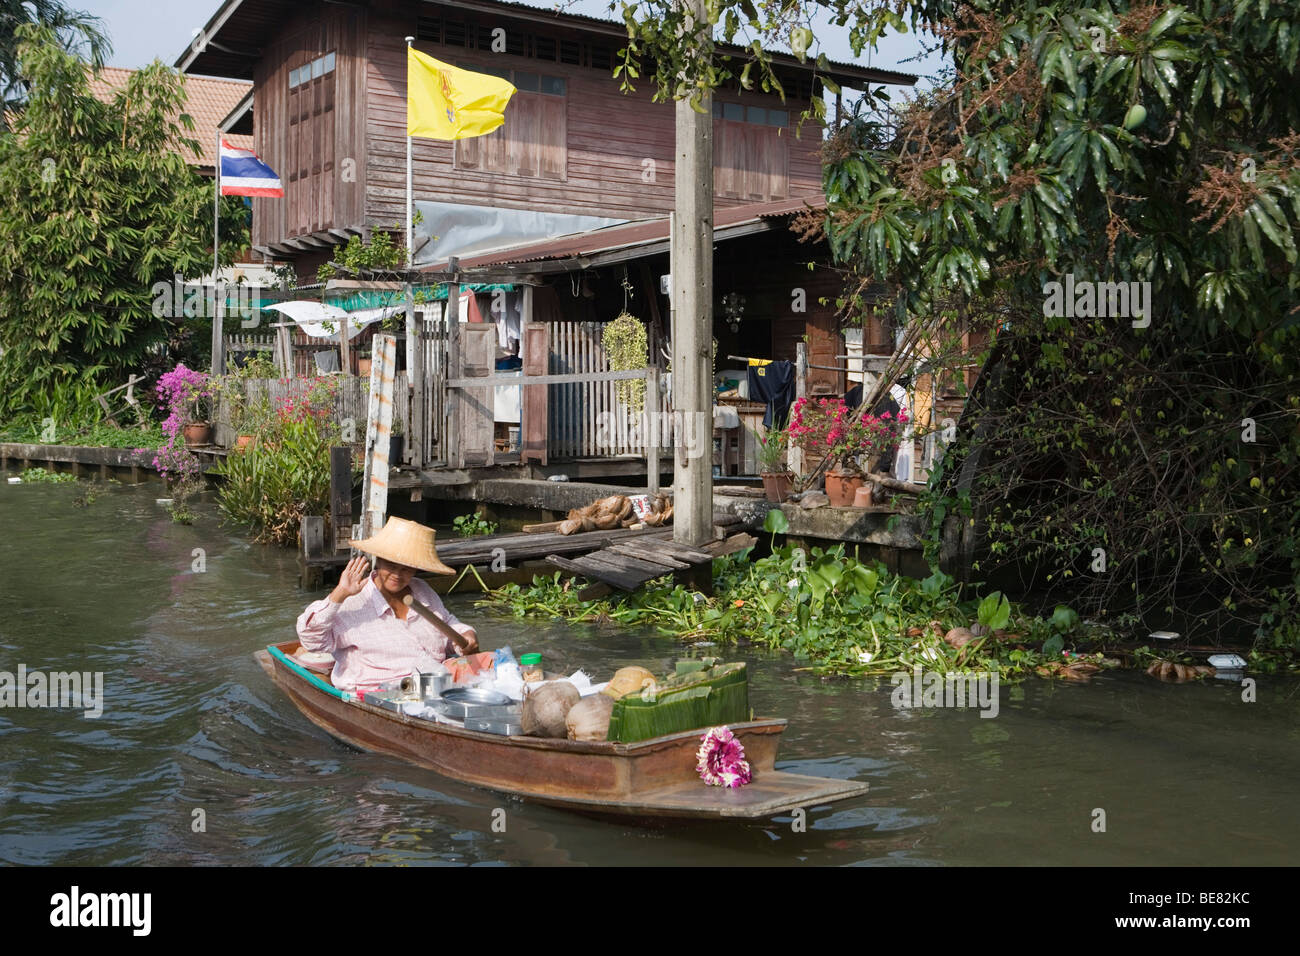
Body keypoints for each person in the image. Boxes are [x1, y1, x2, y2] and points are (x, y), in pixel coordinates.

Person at [296, 516, 479, 692]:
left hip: (434, 684)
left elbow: (447, 624)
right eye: (391, 565)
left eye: (406, 568)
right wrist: (339, 593)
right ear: (378, 561)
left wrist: (466, 635)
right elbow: (312, 640)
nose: (398, 575)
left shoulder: (422, 590)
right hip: (378, 692)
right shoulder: (354, 599)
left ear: (416, 569)